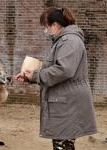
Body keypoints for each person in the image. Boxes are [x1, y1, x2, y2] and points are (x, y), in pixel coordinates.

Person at [14, 7, 97, 150]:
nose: (45, 31)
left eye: (45, 27)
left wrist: (35, 75)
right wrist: (31, 77)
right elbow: (58, 67)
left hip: (67, 102)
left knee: (62, 145)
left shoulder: (69, 41)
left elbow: (63, 70)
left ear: (55, 25)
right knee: (64, 144)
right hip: (65, 100)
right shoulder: (64, 41)